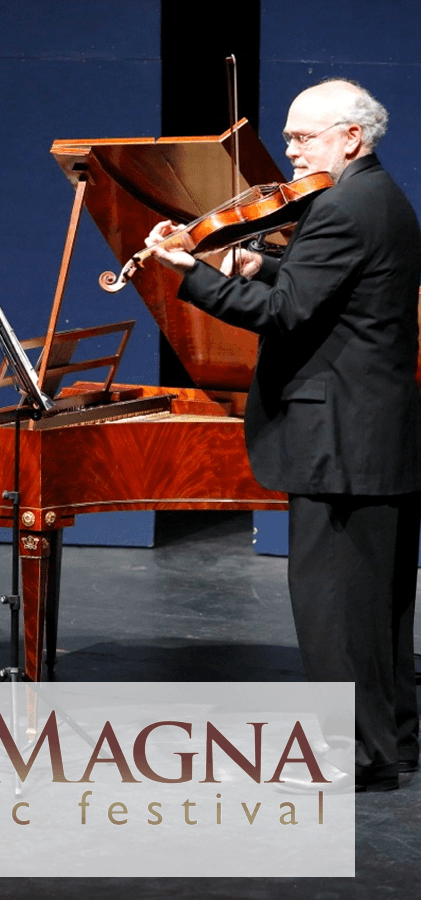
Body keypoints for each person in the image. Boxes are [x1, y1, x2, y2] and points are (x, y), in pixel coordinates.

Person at [145, 79, 421, 792]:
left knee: (333, 606)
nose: (290, 149)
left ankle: (352, 756)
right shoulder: (379, 198)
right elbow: (329, 293)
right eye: (292, 136)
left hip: (337, 437)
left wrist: (189, 275)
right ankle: (394, 740)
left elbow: (289, 315)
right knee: (379, 602)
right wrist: (260, 262)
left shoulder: (338, 208)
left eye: (304, 136)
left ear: (352, 137)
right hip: (374, 430)